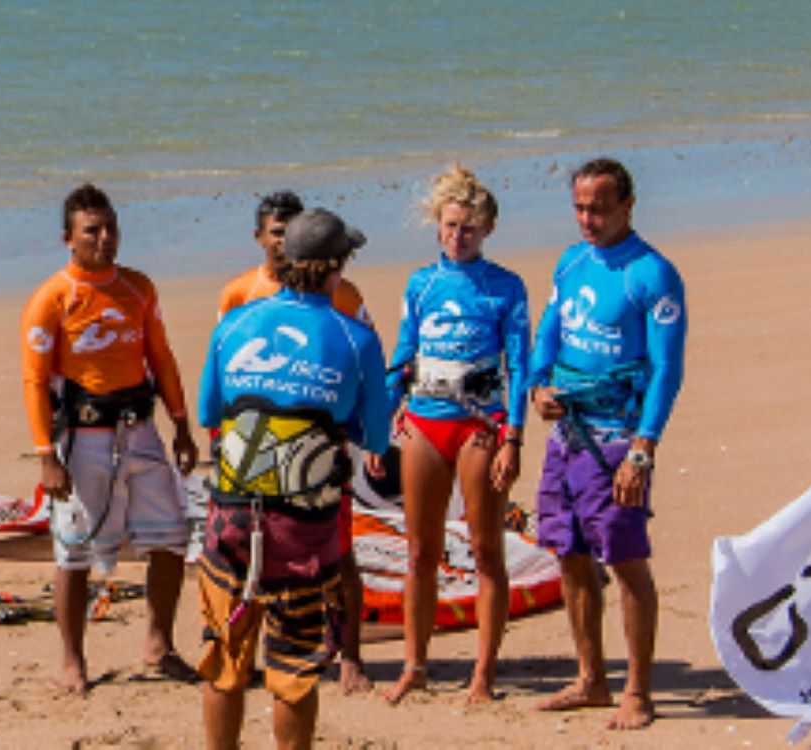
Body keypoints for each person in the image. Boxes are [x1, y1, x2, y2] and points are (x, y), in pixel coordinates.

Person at [196, 209, 391, 750]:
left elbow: (210, 409)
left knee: (225, 661)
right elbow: (375, 437)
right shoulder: (356, 339)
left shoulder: (232, 324)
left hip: (230, 521)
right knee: (294, 674)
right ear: (337, 268)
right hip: (304, 532)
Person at [525, 158, 687, 730]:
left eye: (599, 207)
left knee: (626, 562)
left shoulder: (652, 274)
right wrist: (537, 387)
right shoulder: (571, 262)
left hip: (617, 440)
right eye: (579, 207)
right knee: (567, 555)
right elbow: (546, 336)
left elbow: (667, 369)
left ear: (627, 206)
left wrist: (643, 449)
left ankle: (637, 691)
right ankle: (591, 679)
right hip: (566, 436)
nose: (587, 219)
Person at [20, 183, 200, 694]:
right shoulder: (51, 298)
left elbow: (160, 358)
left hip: (141, 432)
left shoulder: (140, 288)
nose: (104, 238)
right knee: (73, 549)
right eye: (91, 231)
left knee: (170, 540)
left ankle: (159, 645)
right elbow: (34, 381)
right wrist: (44, 458)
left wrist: (182, 425)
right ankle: (72, 659)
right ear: (68, 239)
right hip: (82, 439)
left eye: (110, 227)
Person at [378, 166, 531, 706]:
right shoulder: (421, 284)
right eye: (449, 226)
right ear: (437, 226)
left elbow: (522, 366)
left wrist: (513, 437)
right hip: (423, 421)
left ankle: (484, 673)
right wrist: (380, 428)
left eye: (467, 228)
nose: (457, 236)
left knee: (487, 551)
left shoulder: (506, 287)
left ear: (486, 229)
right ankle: (414, 666)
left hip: (479, 426)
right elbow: (401, 357)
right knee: (421, 551)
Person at [216, 190, 374, 326]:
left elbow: (364, 348)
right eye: (277, 233)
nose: (286, 240)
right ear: (259, 237)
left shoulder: (342, 292)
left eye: (291, 232)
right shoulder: (238, 293)